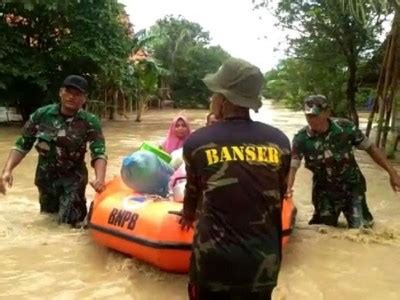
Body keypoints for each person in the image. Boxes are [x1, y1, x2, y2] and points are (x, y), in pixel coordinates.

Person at [180, 58, 291, 300]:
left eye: (214, 94)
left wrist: (187, 215)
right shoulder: (280, 142)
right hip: (263, 264)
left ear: (223, 99)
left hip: (213, 264)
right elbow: (278, 194)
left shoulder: (197, 143)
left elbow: (193, 194)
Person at [0, 75, 107, 227]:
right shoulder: (42, 115)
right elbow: (22, 144)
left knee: (69, 225)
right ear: (60, 92)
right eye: (68, 92)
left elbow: (99, 152)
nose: (72, 97)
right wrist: (7, 170)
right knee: (47, 221)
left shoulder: (90, 121)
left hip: (73, 179)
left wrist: (100, 179)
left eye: (77, 94)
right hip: (46, 179)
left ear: (84, 99)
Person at [287, 95, 400, 228]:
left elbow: (371, 148)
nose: (311, 120)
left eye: (315, 116)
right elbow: (292, 167)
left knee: (362, 230)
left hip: (352, 186)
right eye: (308, 116)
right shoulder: (301, 139)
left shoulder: (346, 129)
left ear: (327, 112)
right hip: (324, 191)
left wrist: (392, 173)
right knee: (323, 230)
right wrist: (288, 189)